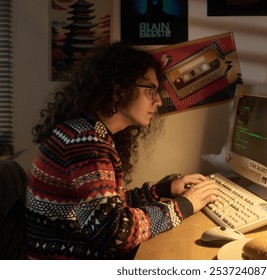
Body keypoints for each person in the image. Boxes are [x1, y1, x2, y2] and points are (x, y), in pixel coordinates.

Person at [25, 42, 219, 259]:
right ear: (119, 91)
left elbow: (107, 207)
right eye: (151, 90)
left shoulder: (84, 131)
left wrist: (162, 190)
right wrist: (184, 205)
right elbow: (115, 234)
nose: (158, 101)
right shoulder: (85, 146)